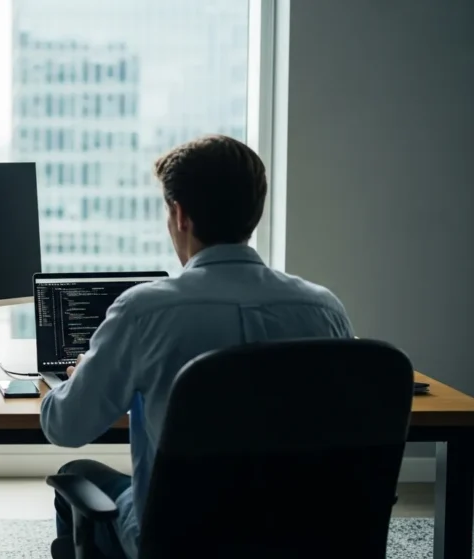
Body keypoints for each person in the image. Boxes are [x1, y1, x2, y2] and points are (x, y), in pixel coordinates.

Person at [40, 135, 354, 559]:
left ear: (180, 214)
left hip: (180, 539)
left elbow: (66, 427)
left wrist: (75, 384)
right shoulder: (324, 308)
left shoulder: (144, 311)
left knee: (76, 474)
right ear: (254, 211)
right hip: (302, 533)